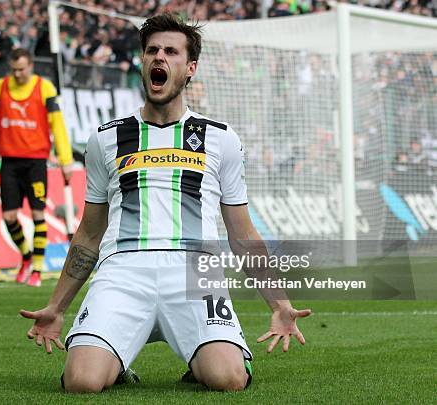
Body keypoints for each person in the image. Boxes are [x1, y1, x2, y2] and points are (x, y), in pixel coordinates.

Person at [20, 14, 311, 393]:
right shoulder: (105, 139)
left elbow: (242, 233)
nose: (160, 57)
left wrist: (278, 302)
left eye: (171, 51)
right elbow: (90, 232)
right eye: (152, 50)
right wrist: (56, 307)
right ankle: (116, 362)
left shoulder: (220, 139)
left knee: (228, 379)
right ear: (142, 62)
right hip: (123, 270)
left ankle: (210, 356)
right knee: (82, 382)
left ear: (190, 68)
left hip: (195, 270)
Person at [0, 48, 73, 287]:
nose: (18, 74)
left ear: (30, 66)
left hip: (35, 162)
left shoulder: (44, 88)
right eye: (14, 69)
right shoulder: (1, 87)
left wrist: (65, 159)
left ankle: (38, 271)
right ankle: (26, 256)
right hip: (9, 160)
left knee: (38, 214)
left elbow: (57, 125)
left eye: (22, 69)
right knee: (9, 216)